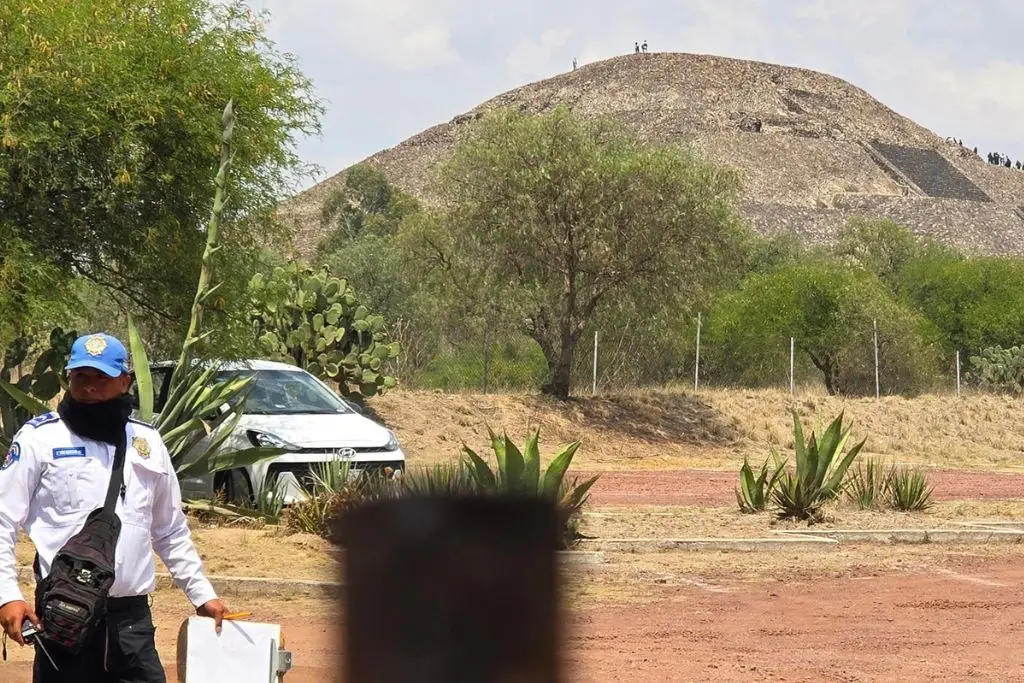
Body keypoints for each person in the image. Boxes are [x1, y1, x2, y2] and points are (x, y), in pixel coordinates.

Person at [0, 333, 230, 682]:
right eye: (81, 377)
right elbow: (2, 521)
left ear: (125, 381)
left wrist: (202, 595)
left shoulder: (147, 442)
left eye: (101, 378)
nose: (89, 386)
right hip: (64, 617)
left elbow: (169, 529)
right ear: (69, 379)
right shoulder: (39, 439)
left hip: (131, 624)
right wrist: (7, 597)